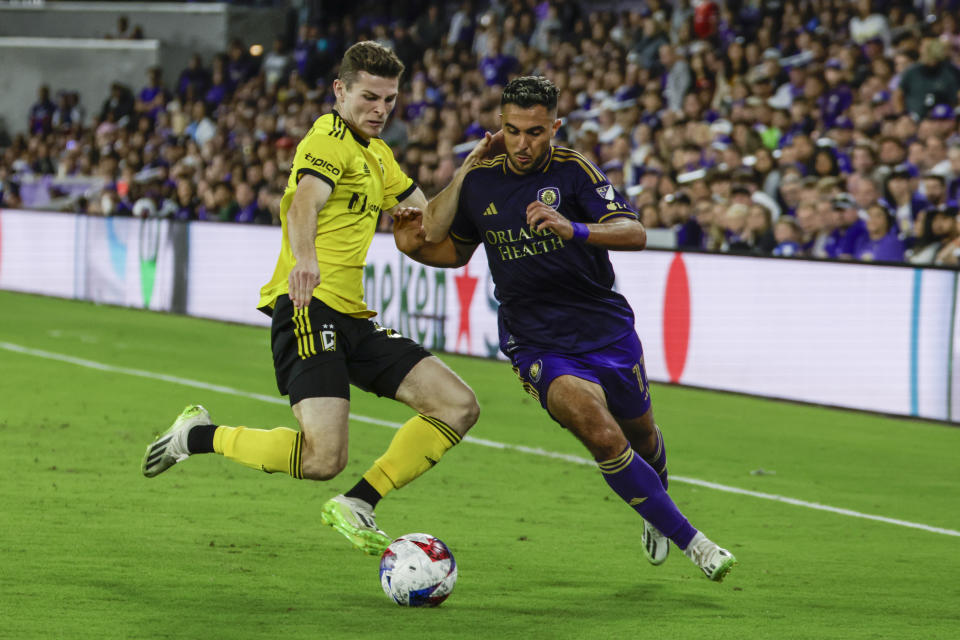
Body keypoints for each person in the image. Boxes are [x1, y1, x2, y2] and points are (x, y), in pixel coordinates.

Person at [142, 42, 493, 557]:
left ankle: (358, 502)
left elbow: (429, 220)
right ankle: (198, 436)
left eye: (390, 101)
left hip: (353, 317)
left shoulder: (379, 156)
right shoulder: (327, 139)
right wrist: (304, 257)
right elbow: (304, 200)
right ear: (340, 90)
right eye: (369, 97)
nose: (380, 110)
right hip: (308, 306)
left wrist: (468, 172)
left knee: (458, 405)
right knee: (321, 458)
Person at [392, 76, 736, 582]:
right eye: (512, 131)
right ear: (500, 126)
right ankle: (697, 544)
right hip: (536, 341)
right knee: (601, 433)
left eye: (535, 132)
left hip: (604, 329)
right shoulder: (482, 179)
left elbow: (634, 232)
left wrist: (571, 227)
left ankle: (653, 512)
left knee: (641, 431)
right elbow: (450, 248)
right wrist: (414, 245)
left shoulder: (574, 171)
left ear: (553, 126)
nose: (523, 143)